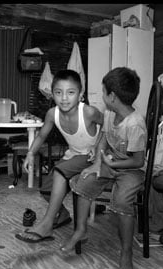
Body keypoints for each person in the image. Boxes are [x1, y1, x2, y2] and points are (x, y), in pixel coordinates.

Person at [61, 67, 147, 269]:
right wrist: (98, 163)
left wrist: (112, 162)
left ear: (112, 96)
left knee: (122, 201)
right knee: (82, 181)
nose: (101, 96)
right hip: (111, 163)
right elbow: (104, 139)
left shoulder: (135, 124)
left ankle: (126, 251)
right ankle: (80, 230)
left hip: (132, 170)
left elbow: (138, 160)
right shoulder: (109, 114)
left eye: (103, 92)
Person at [15, 69, 103, 243]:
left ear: (80, 95)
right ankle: (62, 215)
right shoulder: (52, 114)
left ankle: (46, 225)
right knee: (46, 188)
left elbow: (109, 125)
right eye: (58, 93)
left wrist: (97, 145)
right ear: (52, 95)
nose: (64, 98)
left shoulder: (89, 112)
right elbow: (41, 135)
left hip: (92, 156)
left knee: (59, 172)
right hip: (74, 155)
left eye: (70, 93)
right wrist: (31, 153)